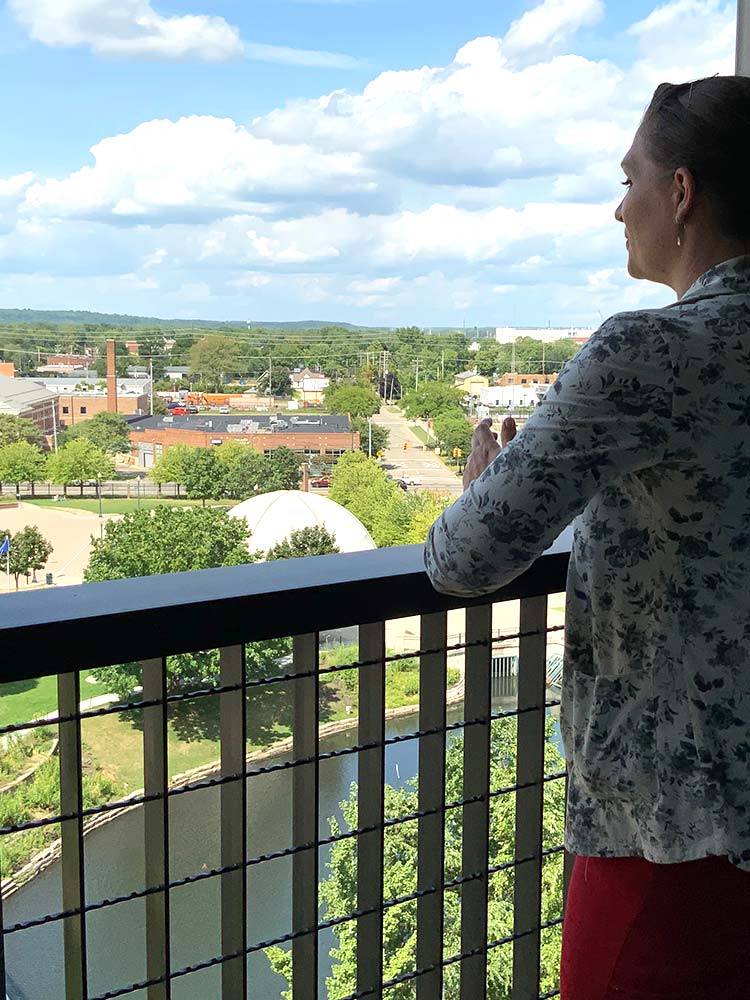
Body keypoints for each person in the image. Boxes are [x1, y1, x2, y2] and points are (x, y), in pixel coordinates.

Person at [424, 76, 750, 1000]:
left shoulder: (650, 354)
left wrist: (485, 486)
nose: (619, 207)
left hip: (678, 836)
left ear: (681, 194)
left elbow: (463, 558)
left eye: (630, 179)